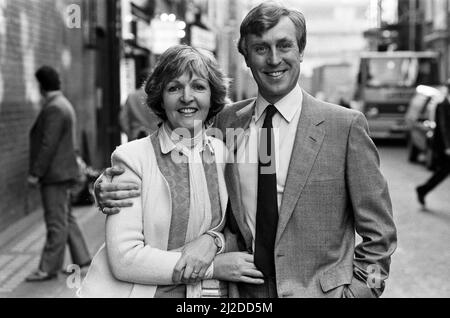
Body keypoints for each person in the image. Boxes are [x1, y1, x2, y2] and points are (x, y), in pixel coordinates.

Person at [94, 2, 397, 298]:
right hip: (242, 293)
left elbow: (380, 234)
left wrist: (362, 291)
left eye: (284, 46)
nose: (274, 59)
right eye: (261, 48)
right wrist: (106, 185)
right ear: (246, 56)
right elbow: (185, 169)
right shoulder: (224, 124)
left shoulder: (344, 127)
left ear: (300, 51)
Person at [78, 45, 264, 298]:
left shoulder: (222, 153)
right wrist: (212, 267)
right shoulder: (132, 158)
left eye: (198, 86)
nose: (187, 97)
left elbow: (235, 225)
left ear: (212, 96)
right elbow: (124, 259)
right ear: (161, 98)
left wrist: (214, 240)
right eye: (174, 88)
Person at [26, 66, 91, 282]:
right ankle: (82, 259)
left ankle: (48, 268)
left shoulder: (54, 108)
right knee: (66, 218)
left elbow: (48, 145)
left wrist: (36, 173)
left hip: (55, 175)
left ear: (42, 85)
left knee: (56, 222)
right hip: (63, 172)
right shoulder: (63, 104)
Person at [416, 84, 450, 206]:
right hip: (444, 146)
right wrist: (447, 147)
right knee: (443, 171)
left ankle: (423, 189)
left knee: (443, 171)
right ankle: (423, 189)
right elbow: (443, 127)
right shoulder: (443, 105)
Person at [119, 69, 161, 140]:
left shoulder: (131, 96)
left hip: (136, 135)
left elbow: (123, 118)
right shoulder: (157, 96)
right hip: (156, 135)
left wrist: (130, 135)